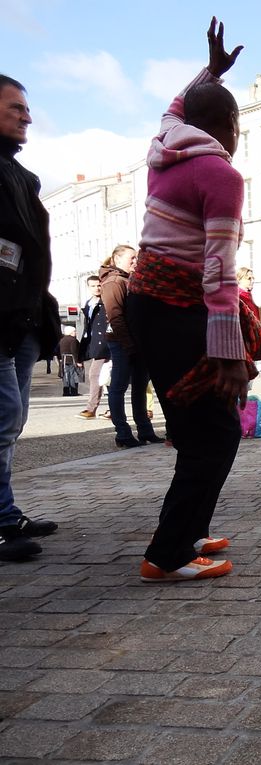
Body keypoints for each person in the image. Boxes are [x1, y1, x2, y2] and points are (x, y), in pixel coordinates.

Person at [126, 18, 250, 582]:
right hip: (179, 304)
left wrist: (212, 73)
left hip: (148, 300)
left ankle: (191, 529)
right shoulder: (219, 173)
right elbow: (219, 272)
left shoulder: (166, 146)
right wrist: (227, 354)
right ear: (229, 123)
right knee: (216, 430)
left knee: (196, 424)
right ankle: (167, 553)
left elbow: (177, 105)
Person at [0, 73, 62, 562]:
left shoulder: (20, 176)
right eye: (16, 107)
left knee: (12, 419)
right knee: (2, 418)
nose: (28, 116)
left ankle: (4, 513)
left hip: (22, 317)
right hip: (3, 316)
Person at [100, 244, 163, 448]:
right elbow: (115, 317)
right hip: (122, 344)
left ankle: (144, 430)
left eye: (137, 258)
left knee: (140, 387)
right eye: (132, 258)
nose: (136, 262)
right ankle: (123, 433)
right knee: (118, 387)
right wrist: (128, 345)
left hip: (138, 343)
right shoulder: (114, 282)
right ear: (117, 260)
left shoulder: (132, 280)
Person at [77, 273, 108, 419]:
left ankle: (92, 409)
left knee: (97, 376)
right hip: (97, 346)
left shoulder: (107, 301)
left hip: (107, 345)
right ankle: (107, 410)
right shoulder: (89, 304)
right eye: (93, 286)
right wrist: (81, 353)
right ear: (88, 287)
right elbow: (87, 330)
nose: (97, 288)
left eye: (98, 285)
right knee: (104, 377)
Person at [57, 326, 82, 396]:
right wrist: (78, 362)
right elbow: (74, 351)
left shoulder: (61, 340)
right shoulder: (73, 340)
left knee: (65, 376)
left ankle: (66, 391)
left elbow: (57, 351)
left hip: (63, 360)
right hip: (71, 360)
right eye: (74, 331)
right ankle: (74, 391)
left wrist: (60, 359)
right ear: (70, 332)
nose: (75, 333)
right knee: (73, 375)